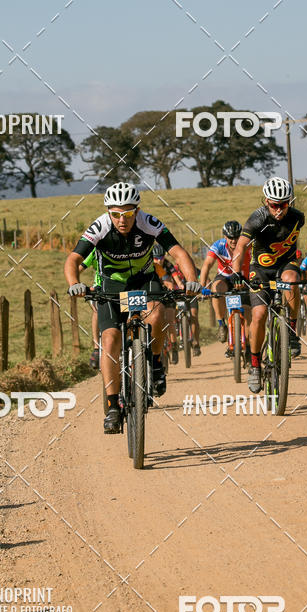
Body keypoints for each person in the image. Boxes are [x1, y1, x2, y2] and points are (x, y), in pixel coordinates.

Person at [64, 182, 201, 433]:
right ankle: (113, 405)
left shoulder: (149, 223)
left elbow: (178, 252)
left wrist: (191, 279)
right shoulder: (100, 227)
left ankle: (156, 362)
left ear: (136, 211)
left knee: (156, 313)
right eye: (115, 214)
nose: (121, 219)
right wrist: (75, 283)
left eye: (127, 213)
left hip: (143, 281)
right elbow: (73, 259)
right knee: (110, 340)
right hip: (111, 286)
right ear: (109, 212)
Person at [230, 176, 304, 393]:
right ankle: (254, 365)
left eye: (284, 204)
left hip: (285, 266)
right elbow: (241, 247)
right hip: (260, 269)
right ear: (266, 202)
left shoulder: (298, 218)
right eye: (274, 205)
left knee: (292, 281)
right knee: (260, 314)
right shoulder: (257, 219)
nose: (279, 210)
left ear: (290, 202)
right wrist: (236, 272)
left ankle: (290, 332)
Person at [199, 221, 251, 356]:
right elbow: (206, 265)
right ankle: (221, 324)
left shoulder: (247, 245)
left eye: (236, 237)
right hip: (224, 278)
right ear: (225, 236)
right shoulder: (219, 246)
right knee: (216, 289)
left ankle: (249, 345)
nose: (234, 240)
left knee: (247, 313)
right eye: (230, 237)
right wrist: (203, 286)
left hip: (243, 279)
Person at [153, 243, 180, 364]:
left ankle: (174, 347)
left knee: (170, 321)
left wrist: (179, 287)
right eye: (156, 258)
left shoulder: (168, 265)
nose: (159, 260)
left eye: (161, 257)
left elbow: (176, 279)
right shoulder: (150, 266)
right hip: (154, 296)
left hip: (167, 295)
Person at [79, 250, 100, 369]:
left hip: (125, 288)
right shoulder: (94, 252)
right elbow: (79, 268)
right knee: (97, 310)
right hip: (100, 288)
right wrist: (76, 284)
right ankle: (97, 348)